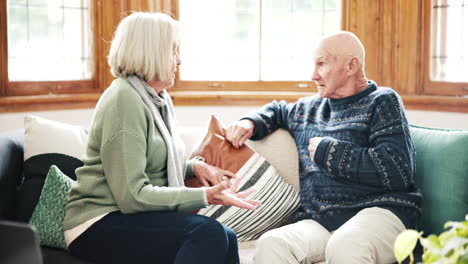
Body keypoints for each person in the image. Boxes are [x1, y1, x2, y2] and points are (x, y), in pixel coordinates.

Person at [63, 12, 260, 264]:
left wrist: (195, 167)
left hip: (127, 217)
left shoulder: (158, 99)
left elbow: (153, 161)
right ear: (151, 53)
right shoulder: (124, 99)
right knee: (206, 232)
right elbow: (132, 196)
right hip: (97, 223)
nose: (179, 61)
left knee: (227, 236)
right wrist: (204, 195)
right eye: (172, 51)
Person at [226, 31, 422, 264]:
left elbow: (397, 170)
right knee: (272, 243)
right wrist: (250, 122)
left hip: (380, 213)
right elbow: (276, 111)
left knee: (346, 245)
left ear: (351, 66)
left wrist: (330, 153)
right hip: (321, 221)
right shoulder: (309, 108)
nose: (313, 75)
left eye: (321, 64)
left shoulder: (382, 101)